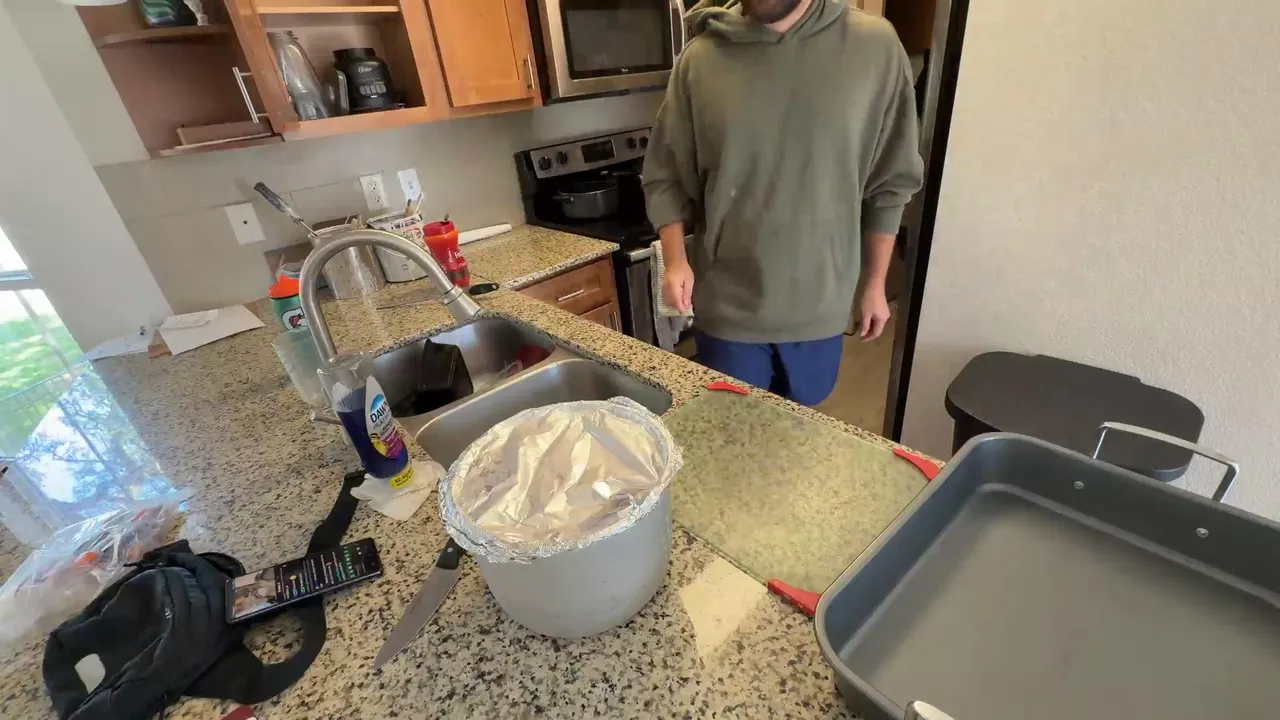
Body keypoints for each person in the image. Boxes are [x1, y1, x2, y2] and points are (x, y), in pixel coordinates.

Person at [642, 0, 924, 406]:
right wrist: (675, 261)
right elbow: (666, 173)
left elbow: (891, 180)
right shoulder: (700, 59)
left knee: (800, 430)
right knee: (734, 431)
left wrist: (875, 283)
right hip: (728, 308)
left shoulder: (875, 47)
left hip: (820, 306)